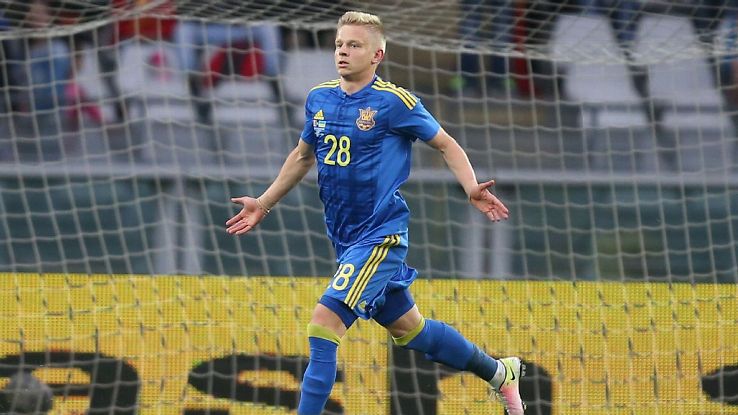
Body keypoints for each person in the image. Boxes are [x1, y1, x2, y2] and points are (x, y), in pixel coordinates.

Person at [226, 11, 525, 415]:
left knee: (323, 324)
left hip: (381, 237)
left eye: (354, 45)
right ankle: (499, 373)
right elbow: (302, 156)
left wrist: (470, 186)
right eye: (339, 44)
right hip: (346, 240)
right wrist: (263, 202)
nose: (343, 52)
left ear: (377, 55)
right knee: (412, 331)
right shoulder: (319, 98)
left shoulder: (395, 102)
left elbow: (445, 144)